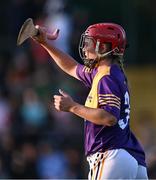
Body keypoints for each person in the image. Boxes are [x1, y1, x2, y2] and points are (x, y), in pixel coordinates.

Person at [32, 22, 148, 179]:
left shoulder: (107, 76)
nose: (85, 48)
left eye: (89, 43)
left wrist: (72, 107)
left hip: (110, 155)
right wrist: (45, 43)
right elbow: (72, 67)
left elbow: (109, 117)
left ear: (104, 47)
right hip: (130, 157)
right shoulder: (104, 72)